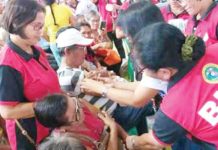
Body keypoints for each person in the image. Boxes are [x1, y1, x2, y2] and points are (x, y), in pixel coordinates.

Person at [125, 22, 218, 149]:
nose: (143, 73)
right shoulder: (215, 49)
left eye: (142, 70)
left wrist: (133, 141)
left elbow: (154, 140)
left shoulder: (174, 108)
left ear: (164, 72)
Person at [56, 27, 155, 134]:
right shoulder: (69, 76)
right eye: (81, 48)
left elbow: (101, 79)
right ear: (67, 51)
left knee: (140, 100)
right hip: (114, 116)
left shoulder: (74, 69)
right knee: (149, 102)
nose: (85, 53)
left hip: (116, 109)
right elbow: (101, 86)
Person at [0, 0, 61, 149]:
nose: (41, 32)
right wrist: (50, 105)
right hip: (31, 135)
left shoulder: (36, 49)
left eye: (42, 26)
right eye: (37, 27)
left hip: (50, 125)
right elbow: (7, 111)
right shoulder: (8, 64)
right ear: (17, 24)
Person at [34, 94, 128, 150]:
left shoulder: (80, 104)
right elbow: (111, 123)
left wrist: (127, 138)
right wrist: (113, 128)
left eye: (75, 101)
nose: (81, 109)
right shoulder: (69, 144)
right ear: (63, 129)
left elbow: (107, 119)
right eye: (77, 114)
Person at [43, 0, 75, 66]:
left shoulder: (43, 13)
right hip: (68, 41)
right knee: (74, 64)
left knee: (62, 66)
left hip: (54, 43)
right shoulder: (64, 8)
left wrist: (51, 41)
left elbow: (43, 33)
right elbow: (74, 24)